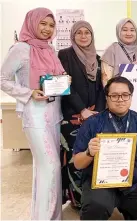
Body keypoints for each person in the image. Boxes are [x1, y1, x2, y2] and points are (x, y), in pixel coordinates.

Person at [72, 77, 137, 220]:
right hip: (102, 185)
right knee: (96, 206)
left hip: (133, 184)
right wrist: (89, 153)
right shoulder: (92, 123)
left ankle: (131, 211)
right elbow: (77, 163)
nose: (120, 99)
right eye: (114, 95)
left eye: (125, 95)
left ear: (131, 97)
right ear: (107, 98)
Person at [0, 8, 66, 219]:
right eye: (43, 24)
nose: (47, 29)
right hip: (35, 116)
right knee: (51, 166)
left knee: (45, 169)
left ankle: (47, 217)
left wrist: (65, 80)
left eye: (51, 25)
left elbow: (56, 77)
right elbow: (3, 80)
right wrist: (28, 93)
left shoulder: (49, 49)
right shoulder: (20, 48)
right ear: (32, 23)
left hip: (54, 115)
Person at [58, 20, 106, 209]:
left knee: (93, 155)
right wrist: (82, 110)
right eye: (79, 33)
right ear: (73, 36)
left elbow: (103, 87)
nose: (84, 36)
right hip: (72, 117)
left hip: (94, 116)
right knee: (75, 156)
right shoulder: (65, 55)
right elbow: (64, 85)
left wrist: (98, 113)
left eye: (87, 32)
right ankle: (77, 199)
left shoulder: (99, 59)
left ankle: (92, 197)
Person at [101, 18, 137, 86]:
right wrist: (130, 69)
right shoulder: (111, 50)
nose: (129, 33)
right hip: (118, 94)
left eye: (132, 30)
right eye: (124, 30)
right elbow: (106, 82)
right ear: (118, 31)